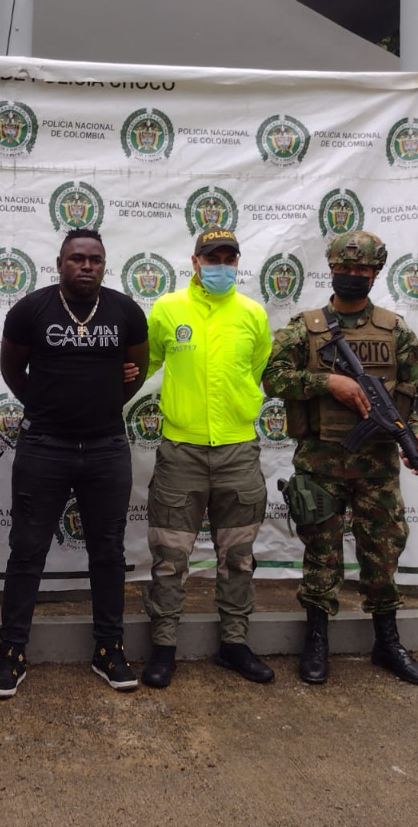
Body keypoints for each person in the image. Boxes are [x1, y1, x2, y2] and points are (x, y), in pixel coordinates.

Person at [262, 230, 418, 686]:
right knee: (322, 553)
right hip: (319, 463)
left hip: (377, 467)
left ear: (376, 273)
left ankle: (387, 642)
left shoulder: (395, 331)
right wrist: (328, 383)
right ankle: (316, 639)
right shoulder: (306, 327)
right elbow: (272, 378)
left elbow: (417, 392)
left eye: (364, 270)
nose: (354, 276)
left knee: (383, 553)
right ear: (332, 268)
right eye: (346, 268)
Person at [0, 228, 150, 698]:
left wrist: (100, 398)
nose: (86, 266)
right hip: (44, 447)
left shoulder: (125, 311)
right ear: (59, 262)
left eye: (95, 259)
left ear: (104, 263)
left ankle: (109, 649)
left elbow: (134, 373)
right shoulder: (31, 309)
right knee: (26, 552)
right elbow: (12, 372)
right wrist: (48, 404)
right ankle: (11, 653)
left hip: (105, 447)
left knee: (108, 554)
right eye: (77, 258)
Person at [139, 227, 274, 689]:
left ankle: (234, 644)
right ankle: (163, 646)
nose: (220, 265)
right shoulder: (167, 309)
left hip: (238, 450)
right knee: (170, 557)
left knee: (237, 556)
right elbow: (146, 363)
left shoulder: (253, 315)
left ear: (237, 262)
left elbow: (254, 372)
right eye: (211, 257)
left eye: (228, 258)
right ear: (194, 262)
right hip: (182, 452)